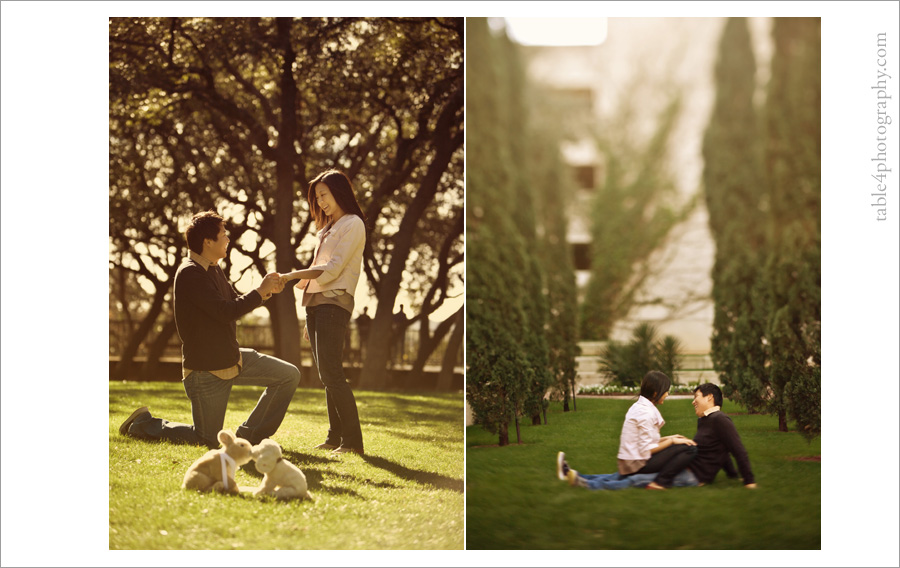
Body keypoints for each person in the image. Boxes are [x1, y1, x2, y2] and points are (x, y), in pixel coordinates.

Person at [119, 211, 301, 449]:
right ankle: (142, 424)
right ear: (208, 241)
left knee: (288, 375)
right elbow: (224, 311)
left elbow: (233, 301)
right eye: (223, 234)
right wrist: (258, 291)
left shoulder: (213, 268)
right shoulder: (190, 273)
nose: (228, 239)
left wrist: (265, 292)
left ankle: (248, 437)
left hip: (231, 357)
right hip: (206, 370)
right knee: (206, 439)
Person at [287, 169, 367, 456]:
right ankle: (334, 438)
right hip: (317, 306)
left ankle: (353, 442)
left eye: (324, 194)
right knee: (325, 374)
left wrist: (289, 276)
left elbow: (332, 270)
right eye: (316, 196)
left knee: (332, 373)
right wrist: (308, 308)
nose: (320, 201)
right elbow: (320, 268)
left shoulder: (353, 224)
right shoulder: (326, 229)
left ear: (339, 192)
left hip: (335, 304)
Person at [557, 382, 757, 490]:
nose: (693, 402)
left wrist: (749, 480)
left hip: (693, 476)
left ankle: (585, 484)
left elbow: (737, 449)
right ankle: (574, 475)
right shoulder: (705, 420)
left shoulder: (720, 420)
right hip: (683, 466)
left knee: (637, 480)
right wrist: (732, 475)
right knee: (628, 475)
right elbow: (721, 451)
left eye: (696, 397)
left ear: (709, 397)